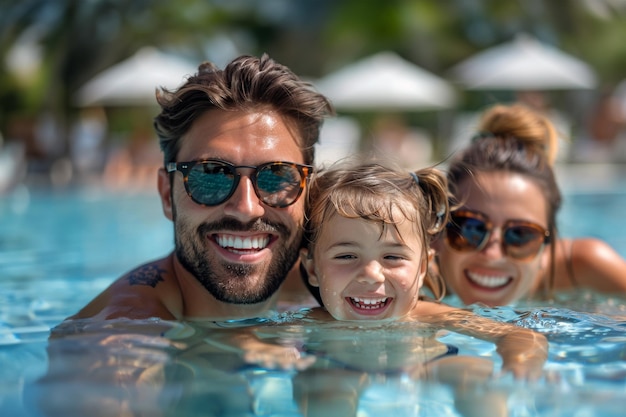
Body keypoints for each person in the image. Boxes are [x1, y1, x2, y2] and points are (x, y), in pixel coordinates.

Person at [214, 158, 547, 417]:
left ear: (422, 268)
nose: (371, 275)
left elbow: (519, 335)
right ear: (313, 270)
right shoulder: (314, 322)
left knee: (474, 377)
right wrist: (260, 348)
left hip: (425, 368)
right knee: (326, 388)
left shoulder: (430, 316)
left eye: (392, 256)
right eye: (346, 255)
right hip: (338, 368)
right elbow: (232, 336)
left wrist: (518, 364)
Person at [67, 54, 334, 321]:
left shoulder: (333, 278)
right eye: (212, 173)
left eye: (276, 175)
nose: (246, 209)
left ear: (308, 193)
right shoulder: (125, 336)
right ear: (166, 194)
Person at [434, 103, 626, 307]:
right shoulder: (409, 275)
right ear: (439, 231)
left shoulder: (584, 266)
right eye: (469, 227)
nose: (492, 254)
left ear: (547, 242)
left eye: (521, 235)